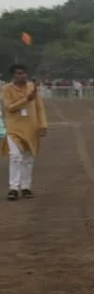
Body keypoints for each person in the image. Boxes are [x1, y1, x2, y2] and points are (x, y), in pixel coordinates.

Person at [3, 64, 47, 200]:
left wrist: (43, 125)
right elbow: (9, 107)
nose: (22, 76)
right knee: (15, 156)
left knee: (28, 158)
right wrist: (26, 99)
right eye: (19, 73)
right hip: (14, 128)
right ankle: (13, 188)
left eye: (24, 73)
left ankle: (26, 187)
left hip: (31, 127)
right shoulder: (6, 89)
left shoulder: (32, 87)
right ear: (13, 75)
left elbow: (40, 107)